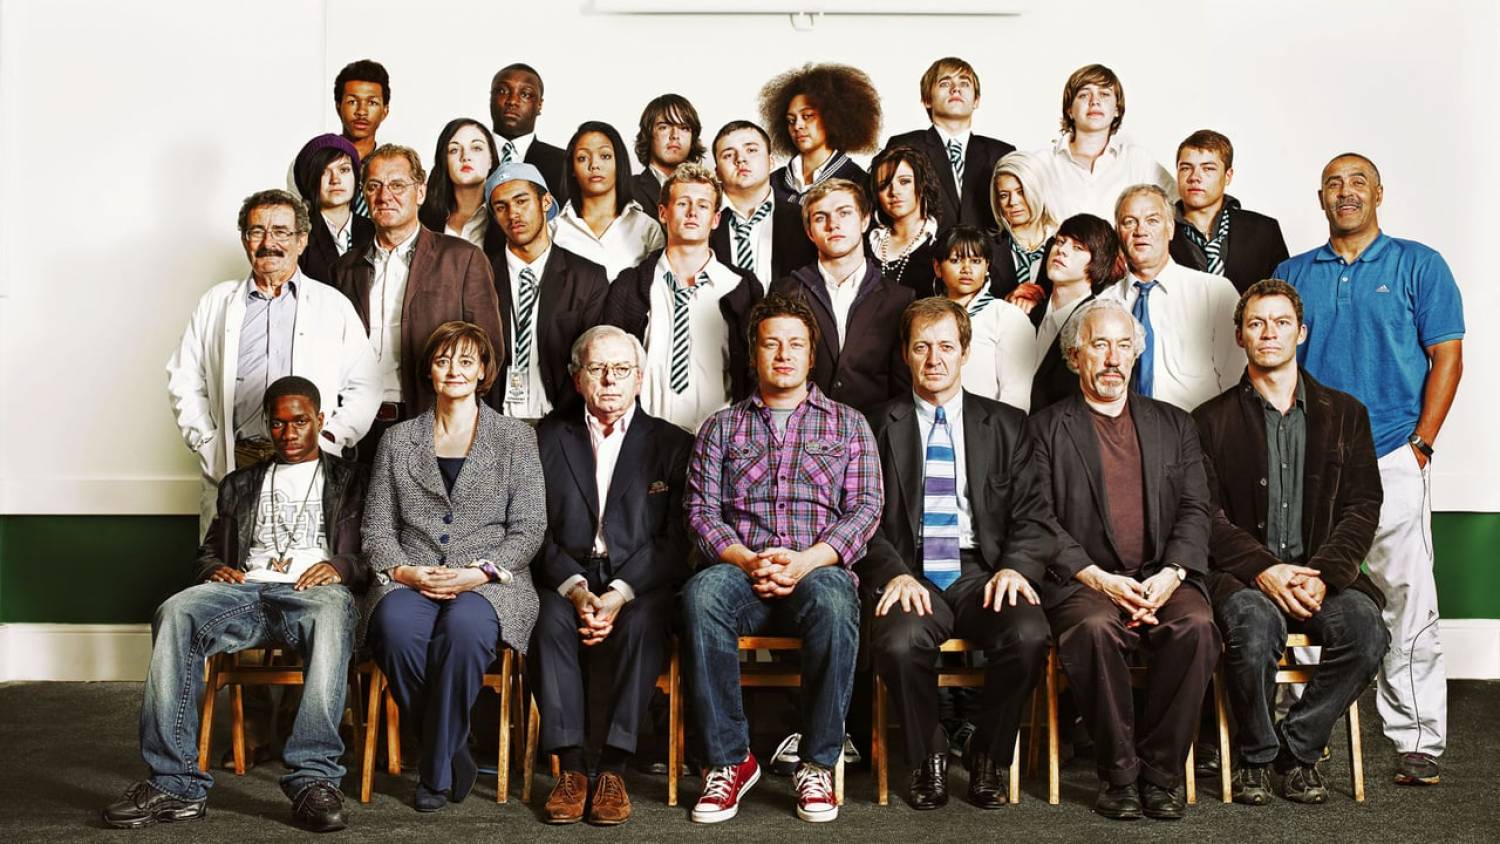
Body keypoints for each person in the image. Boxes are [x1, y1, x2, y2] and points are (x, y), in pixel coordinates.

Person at [104, 377, 370, 833]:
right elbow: (209, 552)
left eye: (300, 422)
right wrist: (213, 570)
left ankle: (314, 779)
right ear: (267, 424)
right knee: (176, 611)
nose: (289, 433)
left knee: (331, 613)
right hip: (247, 592)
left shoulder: (354, 481)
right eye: (278, 423)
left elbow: (379, 550)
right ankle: (175, 783)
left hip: (315, 594)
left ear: (320, 420)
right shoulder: (240, 484)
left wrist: (341, 566)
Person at [1275, 152, 1464, 786]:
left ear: (1379, 193)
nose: (1346, 192)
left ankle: (1418, 739)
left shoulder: (1419, 264)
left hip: (1391, 454)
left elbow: (1447, 357)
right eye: (1334, 183)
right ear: (1320, 199)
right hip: (1310, 462)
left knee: (1407, 598)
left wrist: (1422, 444)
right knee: (1301, 592)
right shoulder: (1292, 273)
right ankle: (1298, 729)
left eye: (1358, 181)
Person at [683, 293, 881, 825]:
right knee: (701, 595)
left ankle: (817, 763)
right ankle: (729, 761)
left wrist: (806, 561)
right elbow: (700, 512)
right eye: (772, 344)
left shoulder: (848, 424)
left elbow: (866, 508)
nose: (784, 354)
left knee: (836, 602)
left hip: (816, 570)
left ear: (812, 355)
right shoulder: (721, 427)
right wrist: (748, 561)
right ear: (754, 354)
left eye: (796, 344)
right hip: (740, 569)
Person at [1193, 280, 1388, 805]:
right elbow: (1206, 515)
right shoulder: (1207, 421)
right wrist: (1264, 569)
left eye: (1281, 323)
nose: (1269, 333)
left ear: (1301, 332)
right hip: (1244, 578)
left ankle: (1297, 749)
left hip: (1325, 575)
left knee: (1367, 633)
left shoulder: (1347, 413)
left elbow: (1362, 505)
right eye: (1256, 323)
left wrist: (1322, 575)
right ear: (1240, 336)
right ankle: (1255, 758)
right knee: (1253, 631)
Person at [1027, 298, 1220, 821]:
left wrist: (1172, 574)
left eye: (1123, 346)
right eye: (1099, 345)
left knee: (1198, 626)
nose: (1113, 358)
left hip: (1162, 575)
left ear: (1136, 354)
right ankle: (1119, 775)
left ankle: (1160, 775)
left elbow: (1196, 508)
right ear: (1075, 357)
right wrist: (1098, 579)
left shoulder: (1175, 424)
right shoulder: (1044, 429)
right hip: (1083, 581)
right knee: (1092, 629)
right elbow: (1038, 517)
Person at [860, 298, 1051, 811]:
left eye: (946, 346)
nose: (934, 359)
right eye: (922, 347)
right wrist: (894, 573)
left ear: (965, 352)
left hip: (983, 571)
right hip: (910, 570)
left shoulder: (1008, 425)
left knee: (1029, 635)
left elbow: (1034, 513)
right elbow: (860, 516)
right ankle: (928, 755)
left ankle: (989, 755)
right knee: (899, 642)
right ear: (905, 353)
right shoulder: (874, 426)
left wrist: (1014, 567)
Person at [360, 321, 545, 812]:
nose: (454, 371)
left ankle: (434, 774)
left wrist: (479, 573)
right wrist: (405, 572)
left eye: (466, 361)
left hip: (490, 582)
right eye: (443, 361)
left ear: (484, 370)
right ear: (429, 371)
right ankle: (452, 750)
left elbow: (529, 527)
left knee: (464, 630)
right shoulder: (397, 440)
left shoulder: (516, 438)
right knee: (394, 627)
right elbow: (376, 528)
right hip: (412, 577)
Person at [531, 325, 694, 825]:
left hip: (639, 580)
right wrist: (577, 589)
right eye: (597, 368)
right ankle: (572, 769)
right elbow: (531, 530)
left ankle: (614, 769)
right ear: (576, 378)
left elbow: (677, 539)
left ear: (639, 379)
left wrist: (619, 593)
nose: (609, 379)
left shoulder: (673, 443)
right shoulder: (542, 439)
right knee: (545, 621)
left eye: (621, 369)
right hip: (566, 575)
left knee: (644, 623)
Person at [168, 189, 379, 534]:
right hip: (238, 460)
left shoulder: (333, 305)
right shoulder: (216, 303)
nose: (269, 242)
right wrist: (206, 441)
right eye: (257, 231)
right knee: (228, 561)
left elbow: (366, 386)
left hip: (309, 461)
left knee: (304, 563)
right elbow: (184, 377)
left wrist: (329, 439)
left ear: (302, 240)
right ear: (245, 240)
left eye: (281, 231)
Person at [330, 143, 505, 456]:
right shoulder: (345, 268)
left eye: (397, 185)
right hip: (357, 429)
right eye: (374, 186)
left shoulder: (462, 259)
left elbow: (489, 351)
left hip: (433, 425)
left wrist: (455, 421)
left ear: (420, 192)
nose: (385, 196)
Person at [603, 163, 761, 431]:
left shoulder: (741, 287)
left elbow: (755, 371)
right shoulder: (631, 285)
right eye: (682, 203)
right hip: (646, 436)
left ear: (715, 219)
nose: (692, 213)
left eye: (702, 205)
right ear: (663, 213)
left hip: (720, 436)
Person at [771, 178, 914, 413]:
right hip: (801, 428)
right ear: (809, 232)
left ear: (865, 220)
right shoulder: (785, 292)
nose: (833, 225)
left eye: (844, 213)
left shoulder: (899, 299)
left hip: (873, 427)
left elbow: (904, 388)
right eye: (820, 218)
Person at [1100, 184, 1243, 411]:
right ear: (1118, 232)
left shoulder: (1215, 293)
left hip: (1197, 428)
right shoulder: (1103, 306)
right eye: (1129, 222)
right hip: (1122, 429)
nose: (1141, 231)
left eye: (1152, 221)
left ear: (1170, 228)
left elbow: (1236, 382)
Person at [484, 161, 608, 422]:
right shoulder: (480, 274)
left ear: (546, 202)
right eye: (501, 207)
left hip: (562, 422)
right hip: (493, 421)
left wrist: (563, 426)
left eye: (521, 201)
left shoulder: (587, 277)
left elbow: (593, 360)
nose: (513, 214)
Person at [883, 57, 1016, 231]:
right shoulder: (904, 145)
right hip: (926, 247)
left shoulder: (1001, 153)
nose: (955, 89)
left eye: (964, 83)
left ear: (976, 100)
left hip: (988, 248)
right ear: (927, 100)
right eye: (945, 83)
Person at [1039, 64, 1175, 223]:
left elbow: (1181, 208)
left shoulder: (1138, 160)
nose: (1094, 101)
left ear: (1117, 109)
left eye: (1104, 94)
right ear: (1070, 110)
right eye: (1083, 95)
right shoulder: (1042, 163)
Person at [1168, 130, 1289, 293]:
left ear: (1228, 176)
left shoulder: (1265, 231)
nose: (1194, 177)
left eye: (1208, 168)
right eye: (1185, 168)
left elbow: (1284, 299)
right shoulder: (1156, 232)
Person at [932, 226, 1034, 410]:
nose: (966, 269)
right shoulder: (924, 318)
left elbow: (1016, 395)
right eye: (955, 260)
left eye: (976, 261)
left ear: (987, 266)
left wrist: (997, 428)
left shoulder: (1007, 316)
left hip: (987, 423)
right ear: (938, 267)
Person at [1030, 213, 1123, 412]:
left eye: (1077, 247)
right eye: (1060, 241)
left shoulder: (1099, 325)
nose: (1062, 250)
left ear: (1098, 261)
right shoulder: (1028, 314)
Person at [551, 121, 666, 281]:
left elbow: (658, 288)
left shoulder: (647, 228)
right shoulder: (554, 229)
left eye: (605, 156)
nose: (594, 165)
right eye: (582, 158)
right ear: (572, 169)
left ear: (619, 163)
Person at [710, 119, 816, 287]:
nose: (740, 159)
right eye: (728, 155)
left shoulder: (803, 219)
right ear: (717, 172)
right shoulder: (700, 221)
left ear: (771, 161)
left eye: (751, 150)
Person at [759, 63, 880, 204]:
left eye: (807, 116)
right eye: (791, 120)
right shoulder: (771, 183)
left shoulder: (859, 183)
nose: (797, 126)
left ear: (831, 118)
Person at [291, 134, 374, 285]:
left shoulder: (375, 231)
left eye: (344, 170)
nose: (335, 180)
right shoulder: (297, 235)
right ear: (309, 180)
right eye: (324, 171)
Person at [419, 118, 505, 257]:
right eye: (454, 150)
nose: (465, 157)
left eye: (476, 148)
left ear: (491, 159)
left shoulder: (506, 217)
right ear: (444, 161)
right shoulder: (423, 217)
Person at [988, 151, 1060, 310]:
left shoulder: (1064, 244)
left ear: (1038, 191)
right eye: (1004, 195)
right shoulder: (984, 247)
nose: (1013, 202)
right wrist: (1007, 303)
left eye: (1021, 192)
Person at [866, 145, 942, 297]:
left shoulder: (943, 241)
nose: (894, 192)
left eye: (904, 181)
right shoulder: (866, 242)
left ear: (922, 185)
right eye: (884, 185)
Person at [489, 63, 569, 204]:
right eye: (502, 91)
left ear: (540, 105)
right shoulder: (462, 157)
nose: (512, 101)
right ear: (491, 97)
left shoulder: (564, 164)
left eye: (525, 94)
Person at [332, 59, 390, 219]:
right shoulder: (313, 161)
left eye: (372, 102)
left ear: (385, 111)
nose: (361, 111)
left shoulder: (397, 167)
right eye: (352, 102)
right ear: (338, 106)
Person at [631, 93, 704, 216]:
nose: (675, 135)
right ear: (648, 135)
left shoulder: (708, 190)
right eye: (664, 127)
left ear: (692, 138)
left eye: (684, 128)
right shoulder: (626, 190)